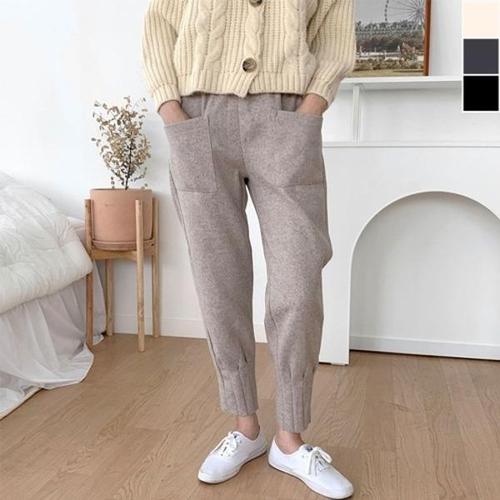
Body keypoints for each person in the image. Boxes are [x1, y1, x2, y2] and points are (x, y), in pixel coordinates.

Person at [142, 1, 356, 497]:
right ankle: (245, 427)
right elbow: (158, 27)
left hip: (285, 115)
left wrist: (311, 105)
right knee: (218, 279)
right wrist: (170, 107)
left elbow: (334, 36)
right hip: (197, 116)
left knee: (299, 281)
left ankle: (290, 438)